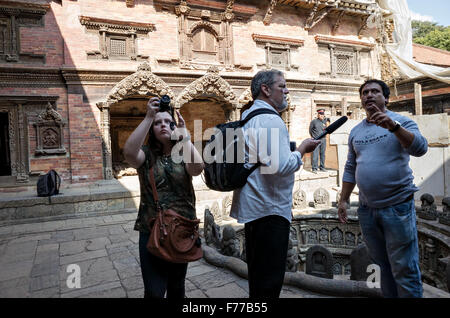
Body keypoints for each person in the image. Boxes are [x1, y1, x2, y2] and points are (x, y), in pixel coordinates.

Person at [230, 69, 320, 298]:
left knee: (258, 278)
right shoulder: (269, 119)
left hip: (255, 207)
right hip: (268, 209)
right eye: (282, 86)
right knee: (269, 283)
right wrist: (301, 150)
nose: (287, 90)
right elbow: (279, 167)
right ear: (266, 89)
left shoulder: (248, 116)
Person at [337, 79, 428, 298]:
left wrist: (393, 128)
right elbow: (351, 167)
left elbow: (421, 148)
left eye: (374, 92)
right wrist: (344, 199)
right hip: (367, 210)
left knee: (404, 268)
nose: (368, 95)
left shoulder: (401, 122)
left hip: (397, 208)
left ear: (385, 98)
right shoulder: (356, 131)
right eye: (365, 92)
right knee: (381, 266)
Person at [123, 96, 204, 298]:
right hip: (152, 228)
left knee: (177, 288)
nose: (163, 125)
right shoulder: (146, 155)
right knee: (154, 291)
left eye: (168, 122)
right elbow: (129, 153)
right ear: (152, 128)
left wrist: (185, 136)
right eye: (158, 123)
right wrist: (148, 117)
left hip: (181, 229)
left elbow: (197, 168)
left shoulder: (183, 152)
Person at [309, 109, 328, 173]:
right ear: (318, 114)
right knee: (315, 154)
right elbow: (310, 130)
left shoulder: (324, 122)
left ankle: (322, 167)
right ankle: (314, 168)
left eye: (322, 114)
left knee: (323, 154)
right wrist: (314, 137)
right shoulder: (314, 121)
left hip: (323, 140)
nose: (321, 115)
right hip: (316, 140)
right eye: (320, 114)